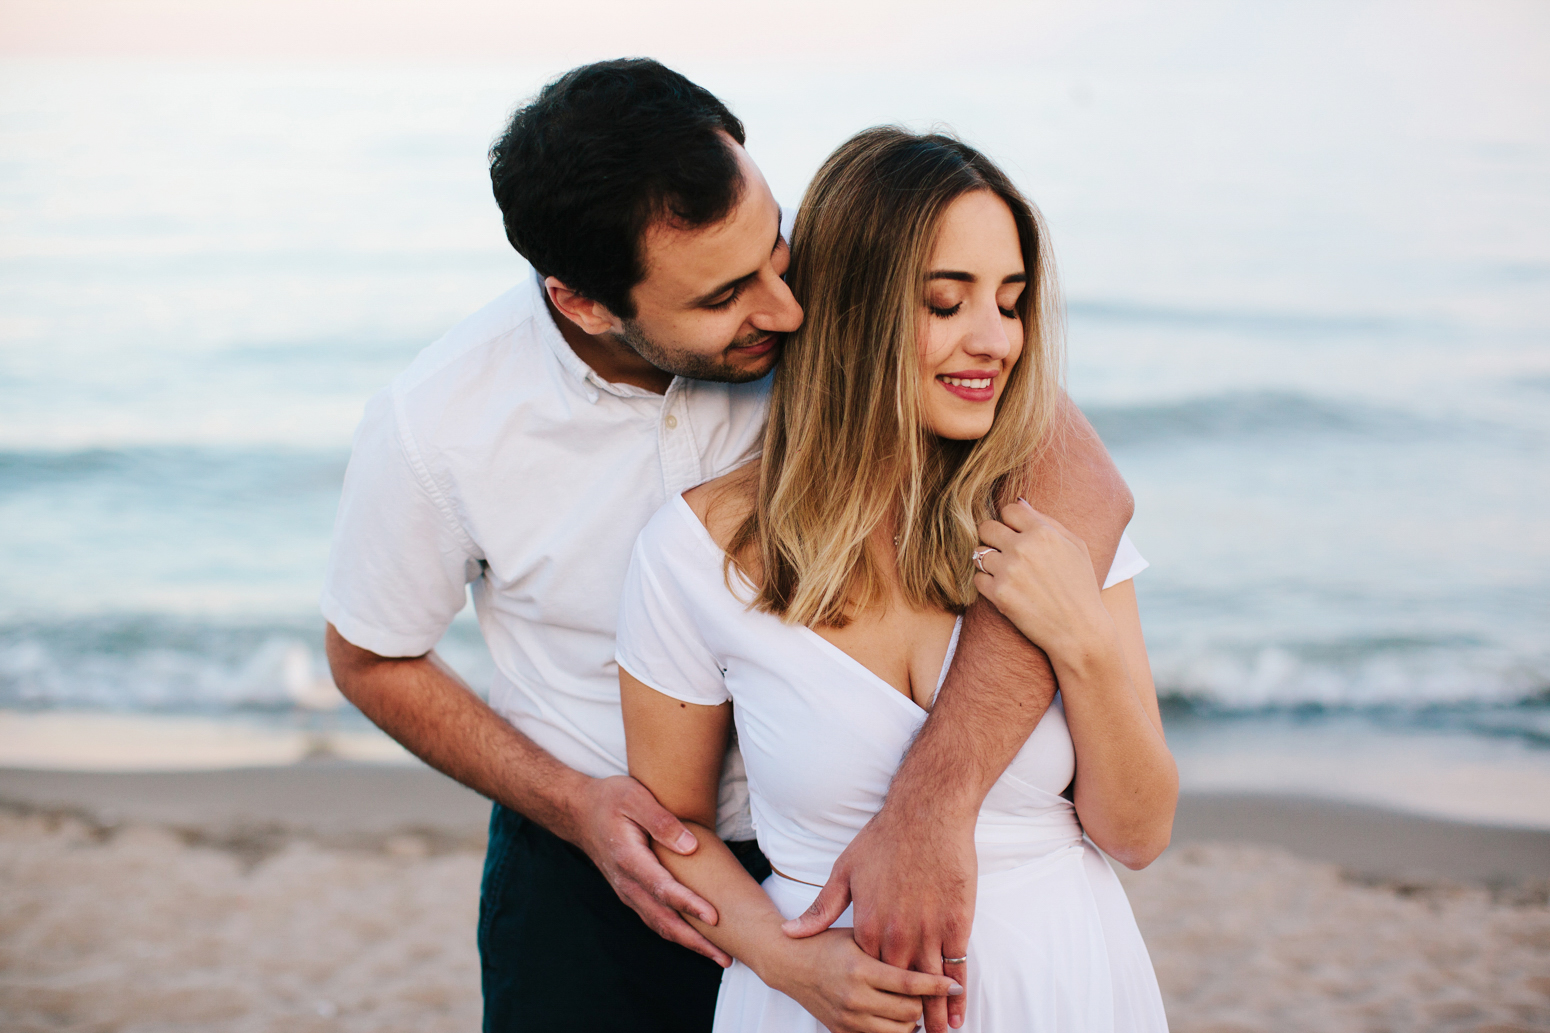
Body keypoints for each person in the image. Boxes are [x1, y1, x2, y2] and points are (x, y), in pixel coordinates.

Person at [322, 60, 1134, 1033]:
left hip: (851, 838)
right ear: (582, 302)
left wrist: (933, 799)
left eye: (776, 246)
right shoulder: (437, 425)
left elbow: (1081, 485)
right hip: (601, 868)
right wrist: (576, 801)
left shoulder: (819, 295)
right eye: (723, 298)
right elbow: (370, 655)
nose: (787, 311)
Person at [616, 127, 1176, 1033]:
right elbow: (674, 832)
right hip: (823, 1005)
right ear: (852, 310)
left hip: (1064, 987)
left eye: (1012, 300)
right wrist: (789, 962)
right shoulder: (692, 554)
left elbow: (1139, 833)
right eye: (946, 303)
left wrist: (1082, 641)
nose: (995, 339)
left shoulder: (1049, 524)